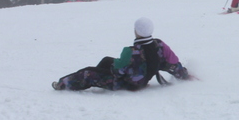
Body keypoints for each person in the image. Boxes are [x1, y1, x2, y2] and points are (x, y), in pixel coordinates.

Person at [52, 17, 189, 91]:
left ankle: (62, 84)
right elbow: (172, 64)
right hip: (142, 79)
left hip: (128, 84)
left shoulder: (130, 51)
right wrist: (184, 76)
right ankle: (98, 77)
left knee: (88, 73)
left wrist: (117, 64)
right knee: (106, 60)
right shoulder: (159, 45)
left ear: (136, 31)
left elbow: (118, 71)